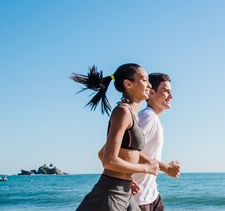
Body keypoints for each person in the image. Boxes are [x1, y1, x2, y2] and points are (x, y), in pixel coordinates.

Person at [71, 64, 160, 211]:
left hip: (125, 191)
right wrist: (145, 168)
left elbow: (103, 152)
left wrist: (129, 178)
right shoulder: (122, 112)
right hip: (111, 193)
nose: (149, 85)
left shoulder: (132, 114)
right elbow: (109, 160)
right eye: (144, 80)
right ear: (128, 84)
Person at [132, 73, 180, 211]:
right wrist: (165, 167)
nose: (171, 96)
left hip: (151, 195)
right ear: (152, 93)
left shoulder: (155, 119)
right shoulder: (148, 117)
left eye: (171, 91)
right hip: (139, 199)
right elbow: (128, 152)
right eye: (166, 91)